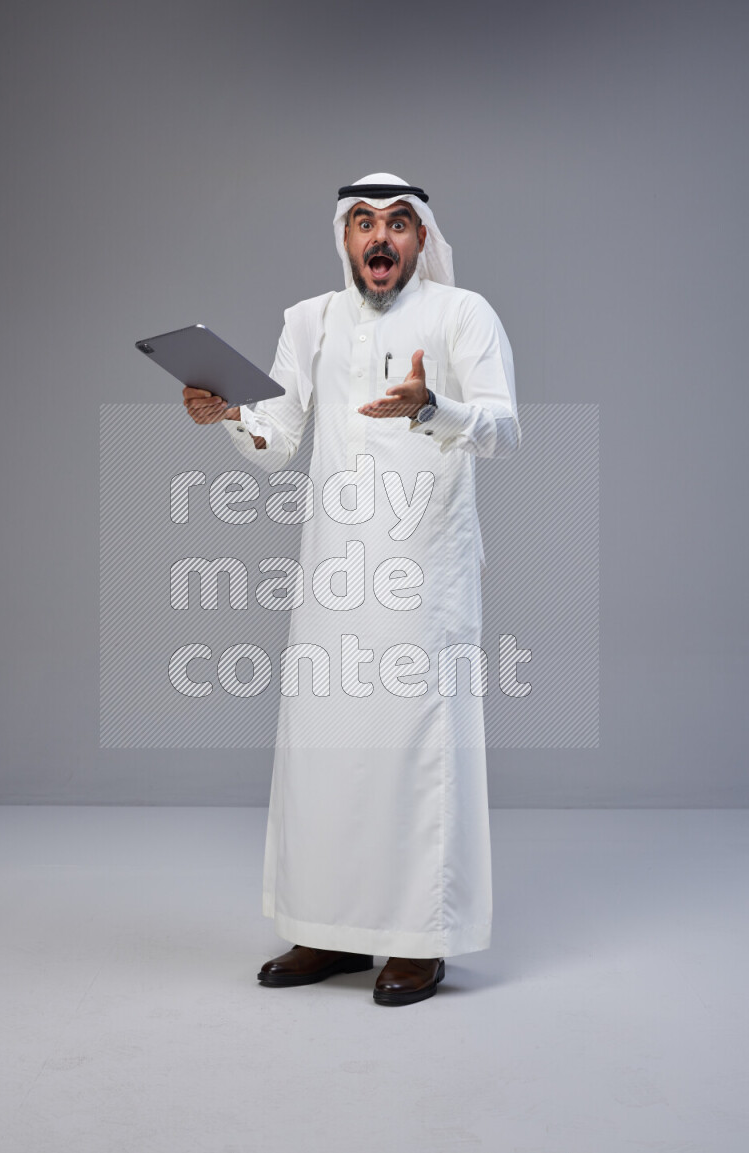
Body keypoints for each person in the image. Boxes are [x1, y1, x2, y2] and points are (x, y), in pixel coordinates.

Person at [183, 173, 521, 1006]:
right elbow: (276, 440)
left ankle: (418, 940)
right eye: (364, 222)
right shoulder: (309, 321)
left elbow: (504, 428)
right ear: (343, 237)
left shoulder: (462, 314)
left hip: (425, 571)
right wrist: (226, 413)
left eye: (399, 224)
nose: (380, 237)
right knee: (325, 751)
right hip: (333, 570)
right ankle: (326, 928)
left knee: (415, 751)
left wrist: (432, 406)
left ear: (420, 238)